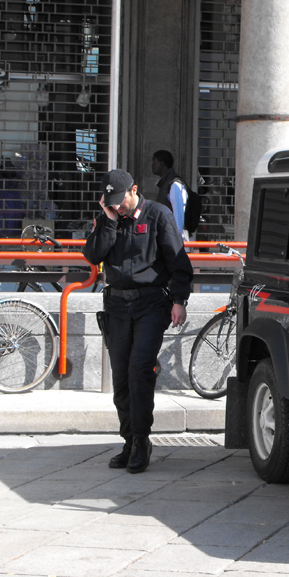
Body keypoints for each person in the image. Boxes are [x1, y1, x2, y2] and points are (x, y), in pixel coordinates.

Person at [83, 168, 193, 473]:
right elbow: (92, 255)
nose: (117, 206)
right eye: (111, 202)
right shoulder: (110, 219)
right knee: (121, 378)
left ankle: (142, 439)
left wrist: (180, 301)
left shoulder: (157, 215)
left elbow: (179, 261)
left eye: (120, 201)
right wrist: (108, 222)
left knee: (139, 369)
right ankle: (129, 440)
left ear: (134, 190)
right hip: (116, 306)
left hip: (150, 304)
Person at [151, 149, 190, 241]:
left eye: (154, 162)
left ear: (161, 164)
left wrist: (175, 241)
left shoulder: (175, 185)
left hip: (174, 241)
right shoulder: (166, 183)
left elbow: (178, 216)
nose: (152, 165)